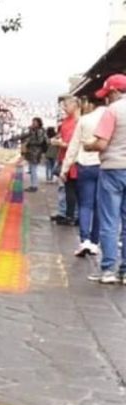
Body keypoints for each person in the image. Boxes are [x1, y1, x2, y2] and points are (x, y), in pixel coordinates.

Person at [85, 74, 126, 284]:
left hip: (113, 169)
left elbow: (101, 144)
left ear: (114, 91)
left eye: (107, 94)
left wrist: (88, 146)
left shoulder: (113, 111)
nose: (106, 99)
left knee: (110, 221)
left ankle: (108, 269)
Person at [60, 95, 104, 258]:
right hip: (105, 165)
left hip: (85, 165)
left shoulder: (85, 120)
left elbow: (73, 146)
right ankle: (95, 241)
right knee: (100, 205)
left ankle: (84, 240)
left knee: (85, 204)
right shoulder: (113, 118)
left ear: (89, 104)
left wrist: (65, 169)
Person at [54, 96, 80, 225]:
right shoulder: (67, 120)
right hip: (63, 157)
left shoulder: (77, 121)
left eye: (66, 105)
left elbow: (72, 143)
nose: (64, 108)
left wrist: (61, 143)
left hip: (72, 159)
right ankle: (64, 212)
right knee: (63, 188)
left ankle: (71, 215)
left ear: (75, 105)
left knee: (71, 189)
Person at [22, 118, 48, 191]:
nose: (33, 123)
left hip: (36, 152)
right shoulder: (34, 130)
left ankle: (34, 186)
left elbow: (40, 141)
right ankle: (33, 185)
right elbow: (24, 135)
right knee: (33, 169)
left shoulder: (39, 131)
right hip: (33, 152)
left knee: (33, 169)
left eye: (35, 122)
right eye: (32, 122)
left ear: (39, 123)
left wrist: (30, 142)